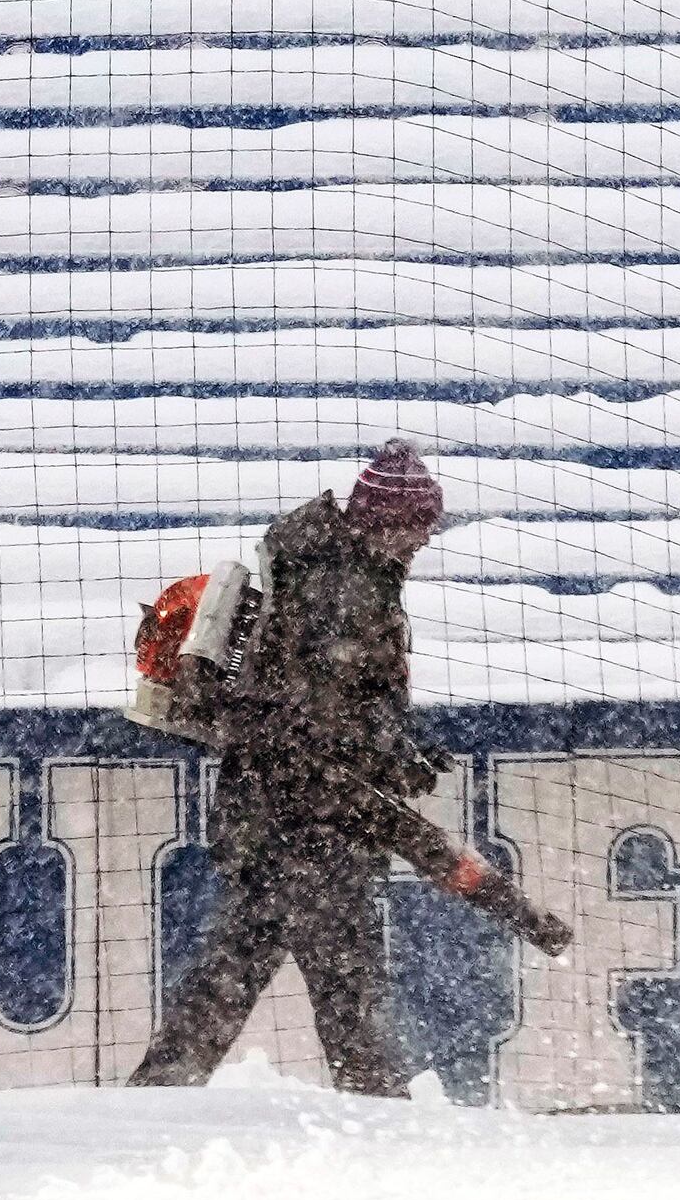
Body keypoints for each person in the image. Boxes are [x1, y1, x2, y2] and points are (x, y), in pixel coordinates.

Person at [133, 443, 449, 1094]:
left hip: (274, 816)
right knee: (347, 988)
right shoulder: (341, 586)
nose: (422, 540)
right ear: (380, 519)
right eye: (415, 525)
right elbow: (321, 715)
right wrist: (386, 753)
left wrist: (398, 746)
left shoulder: (329, 570)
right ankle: (378, 1113)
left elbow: (329, 705)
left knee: (234, 979)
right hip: (309, 824)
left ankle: (154, 1096)